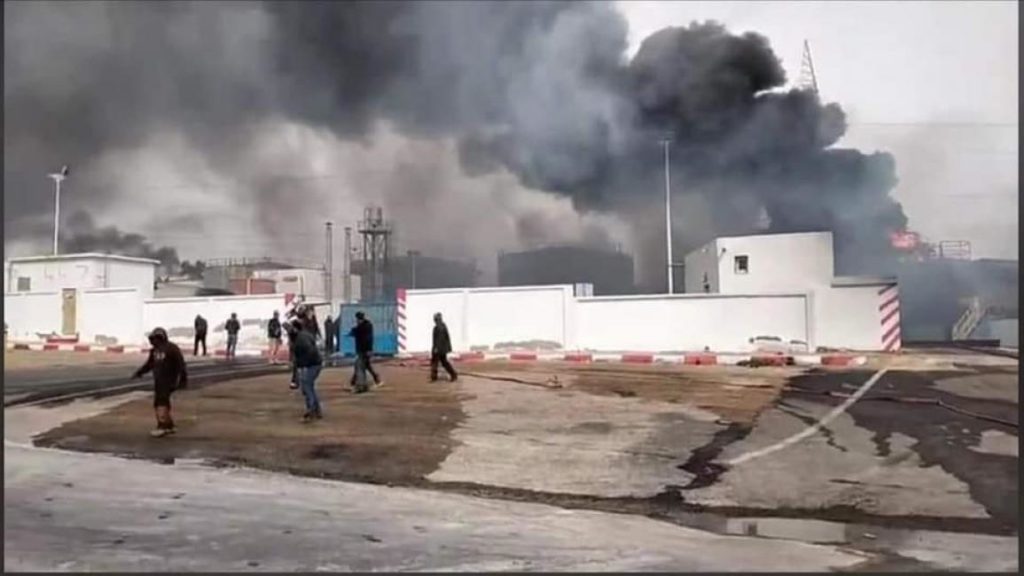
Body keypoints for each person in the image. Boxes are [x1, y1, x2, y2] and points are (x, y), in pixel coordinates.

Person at [132, 327, 188, 437]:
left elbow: (181, 365)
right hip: (159, 380)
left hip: (169, 380)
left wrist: (182, 380)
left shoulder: (172, 349)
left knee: (160, 403)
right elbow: (149, 364)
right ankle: (169, 425)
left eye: (155, 339)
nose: (153, 341)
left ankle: (162, 426)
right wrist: (139, 373)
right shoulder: (154, 351)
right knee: (162, 402)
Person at [290, 318, 323, 421]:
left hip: (312, 364)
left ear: (295, 328)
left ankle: (311, 410)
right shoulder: (305, 335)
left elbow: (307, 352)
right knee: (309, 387)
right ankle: (317, 410)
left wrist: (301, 366)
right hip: (315, 363)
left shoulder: (300, 339)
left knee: (307, 387)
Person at [348, 311, 382, 392]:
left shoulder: (364, 327)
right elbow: (357, 332)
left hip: (364, 350)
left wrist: (369, 350)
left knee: (359, 366)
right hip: (364, 350)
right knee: (366, 365)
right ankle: (376, 379)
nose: (356, 321)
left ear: (360, 319)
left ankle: (359, 385)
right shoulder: (364, 326)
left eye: (357, 319)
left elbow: (365, 338)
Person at [430, 312, 458, 382]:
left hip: (439, 349)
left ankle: (434, 377)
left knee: (435, 363)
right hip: (442, 348)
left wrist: (436, 348)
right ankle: (453, 374)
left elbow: (439, 339)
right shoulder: (443, 326)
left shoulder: (438, 328)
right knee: (444, 362)